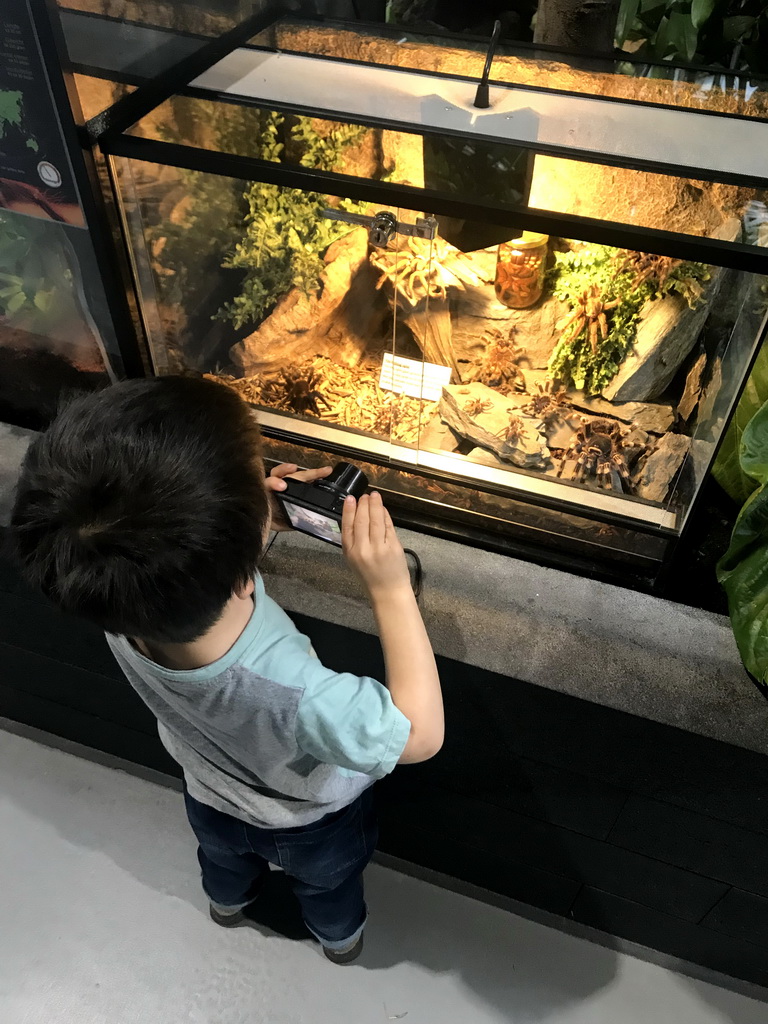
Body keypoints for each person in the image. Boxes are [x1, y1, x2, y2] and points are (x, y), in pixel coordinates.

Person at [9, 376, 443, 966]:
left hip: (209, 793)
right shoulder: (295, 690)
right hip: (310, 823)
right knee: (328, 885)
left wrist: (241, 516)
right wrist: (391, 588)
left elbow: (162, 556)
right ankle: (340, 939)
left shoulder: (115, 603)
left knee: (222, 858)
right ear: (244, 565)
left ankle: (227, 902)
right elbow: (419, 736)